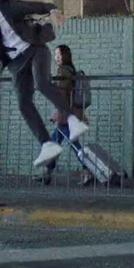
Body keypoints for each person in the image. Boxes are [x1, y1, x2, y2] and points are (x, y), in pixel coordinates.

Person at [0, 0, 75, 179]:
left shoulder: (9, 7)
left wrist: (52, 9)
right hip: (15, 61)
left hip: (34, 48)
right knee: (23, 104)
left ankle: (71, 118)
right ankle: (48, 146)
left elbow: (32, 7)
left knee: (42, 83)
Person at [47, 44, 93, 187]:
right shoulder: (71, 70)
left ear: (65, 56)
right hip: (70, 114)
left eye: (59, 55)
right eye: (55, 55)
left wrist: (58, 114)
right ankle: (47, 171)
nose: (56, 58)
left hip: (65, 115)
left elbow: (62, 95)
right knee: (55, 142)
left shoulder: (63, 71)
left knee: (71, 144)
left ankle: (87, 170)